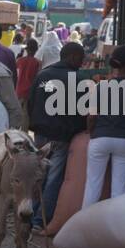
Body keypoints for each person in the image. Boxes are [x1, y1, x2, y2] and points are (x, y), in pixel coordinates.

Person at [29, 41, 87, 229]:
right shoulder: (78, 80)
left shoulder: (43, 75)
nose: (82, 62)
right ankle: (40, 220)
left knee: (39, 176)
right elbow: (82, 112)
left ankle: (28, 216)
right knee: (53, 179)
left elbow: (30, 103)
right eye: (80, 59)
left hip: (40, 134)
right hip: (62, 137)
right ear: (71, 57)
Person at [82, 45, 125, 209]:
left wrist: (93, 133)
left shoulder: (102, 86)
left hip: (100, 139)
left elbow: (92, 117)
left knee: (92, 186)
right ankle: (114, 228)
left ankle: (85, 226)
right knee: (119, 191)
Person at [15, 37, 41, 120]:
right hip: (29, 92)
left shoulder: (20, 60)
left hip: (19, 90)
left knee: (17, 113)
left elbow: (15, 72)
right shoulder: (37, 62)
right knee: (26, 114)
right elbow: (37, 77)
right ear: (36, 50)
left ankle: (14, 130)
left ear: (27, 49)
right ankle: (23, 131)